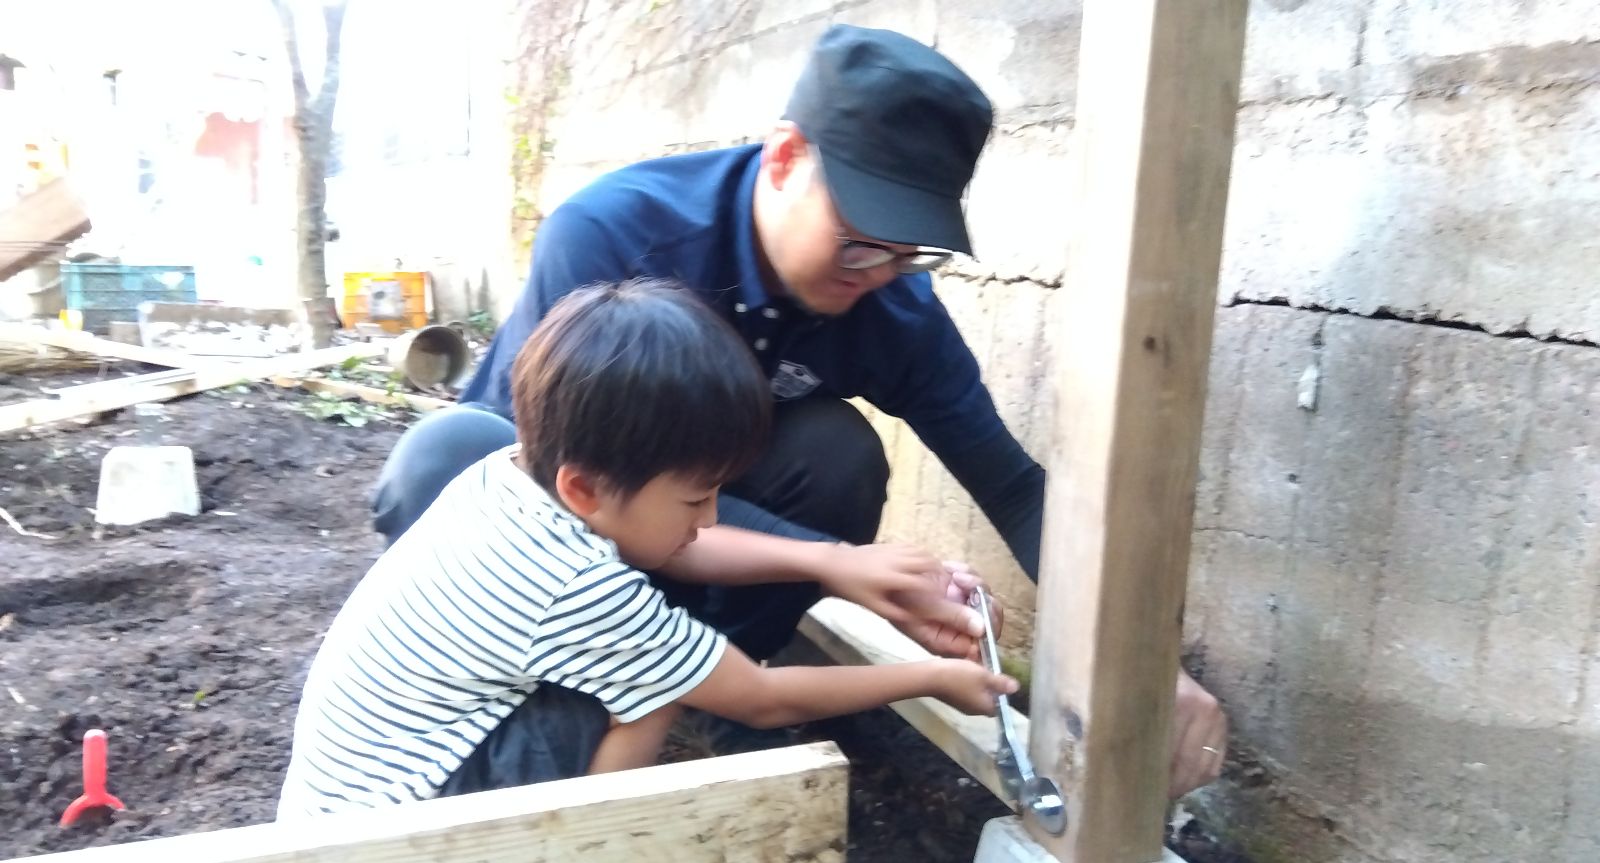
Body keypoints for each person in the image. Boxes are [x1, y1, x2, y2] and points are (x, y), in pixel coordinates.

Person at [370, 24, 1227, 796]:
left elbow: (1015, 488)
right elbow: (531, 476)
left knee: (835, 451)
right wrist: (833, 561)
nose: (875, 272)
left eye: (908, 252)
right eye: (858, 239)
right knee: (443, 459)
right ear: (784, 160)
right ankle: (527, 703)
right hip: (561, 519)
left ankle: (717, 693)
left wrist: (1141, 655)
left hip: (683, 537)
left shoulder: (892, 308)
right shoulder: (618, 235)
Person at [278, 279, 1016, 822]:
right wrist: (929, 677)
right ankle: (590, 859)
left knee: (650, 663)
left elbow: (679, 549)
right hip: (398, 836)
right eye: (696, 497)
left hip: (349, 799)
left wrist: (827, 561)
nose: (709, 517)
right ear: (585, 489)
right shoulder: (576, 587)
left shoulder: (504, 478)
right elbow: (760, 698)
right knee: (658, 683)